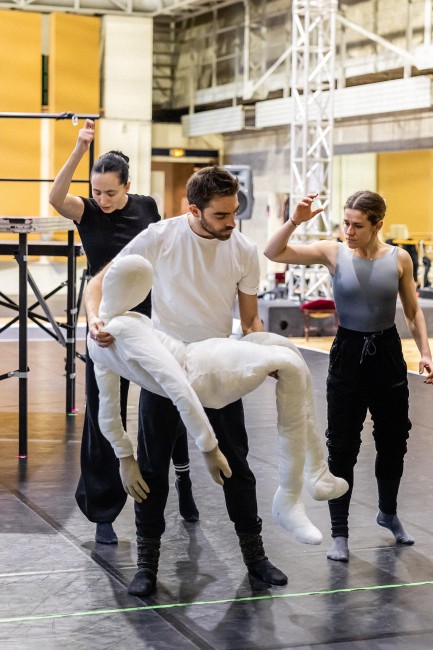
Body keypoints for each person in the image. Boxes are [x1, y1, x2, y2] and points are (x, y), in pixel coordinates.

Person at [84, 165, 292, 596]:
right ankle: (147, 565)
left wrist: (263, 356)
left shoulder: (244, 249)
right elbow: (99, 283)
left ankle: (255, 558)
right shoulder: (160, 236)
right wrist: (94, 318)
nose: (231, 222)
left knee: (238, 469)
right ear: (194, 210)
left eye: (235, 212)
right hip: (165, 370)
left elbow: (251, 320)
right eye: (220, 215)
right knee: (152, 471)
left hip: (217, 369)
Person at [87, 254, 348, 550]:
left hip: (204, 355)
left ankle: (314, 474)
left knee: (284, 350)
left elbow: (107, 406)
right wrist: (208, 447)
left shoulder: (107, 332)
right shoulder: (125, 328)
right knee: (289, 362)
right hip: (204, 374)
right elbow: (178, 384)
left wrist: (124, 455)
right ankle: (292, 493)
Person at [48, 119, 199, 546]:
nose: (103, 199)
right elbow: (56, 197)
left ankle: (184, 485)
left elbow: (164, 255)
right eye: (97, 191)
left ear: (127, 186)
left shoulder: (147, 208)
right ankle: (103, 511)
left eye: (111, 192)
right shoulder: (87, 211)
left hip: (150, 319)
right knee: (103, 416)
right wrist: (79, 149)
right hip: (105, 321)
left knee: (170, 399)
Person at [264, 190, 433, 562]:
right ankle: (339, 533)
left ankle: (387, 513)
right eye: (346, 223)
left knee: (393, 440)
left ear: (378, 225)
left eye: (358, 225)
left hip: (387, 353)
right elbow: (272, 252)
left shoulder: (399, 258)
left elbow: (413, 311)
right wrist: (295, 220)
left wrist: (424, 352)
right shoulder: (333, 252)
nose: (349, 231)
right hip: (348, 353)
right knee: (342, 444)